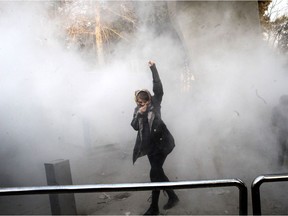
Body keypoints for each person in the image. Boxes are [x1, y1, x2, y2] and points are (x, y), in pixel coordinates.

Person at [131, 61, 179, 215]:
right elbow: (134, 126)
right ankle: (173, 197)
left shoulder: (156, 104)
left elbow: (158, 89)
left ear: (149, 100)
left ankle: (154, 207)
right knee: (158, 172)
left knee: (154, 173)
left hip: (163, 145)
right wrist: (139, 113)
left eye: (143, 103)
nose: (141, 105)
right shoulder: (137, 110)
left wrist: (153, 68)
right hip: (150, 147)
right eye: (138, 103)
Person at [272, 95, 288, 167]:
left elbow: (273, 121)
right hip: (282, 130)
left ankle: (280, 166)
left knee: (281, 149)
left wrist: (274, 126)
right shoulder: (277, 109)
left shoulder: (276, 109)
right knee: (283, 148)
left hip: (281, 131)